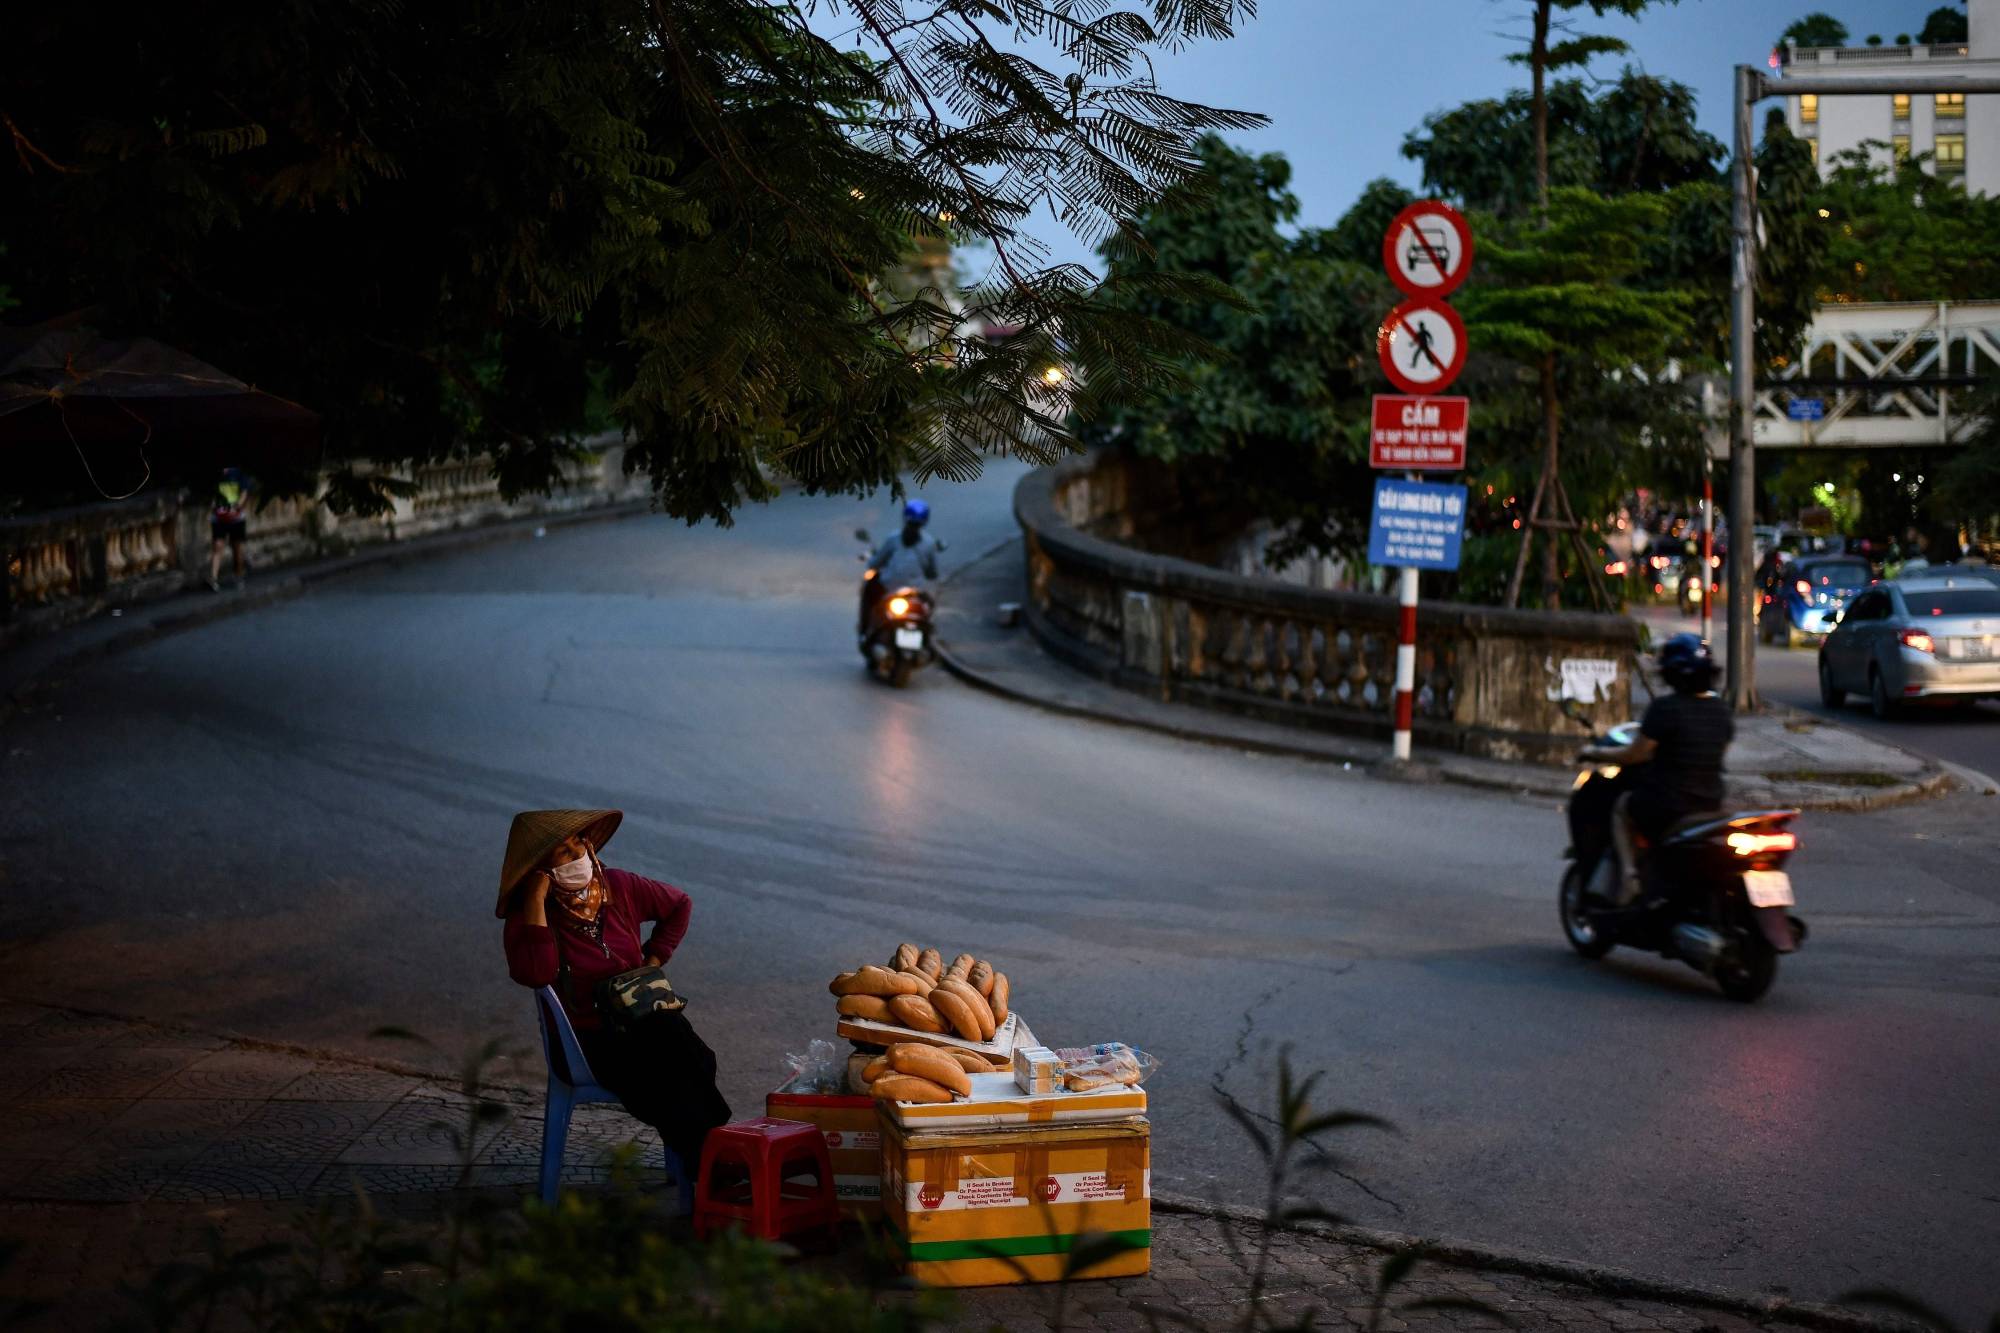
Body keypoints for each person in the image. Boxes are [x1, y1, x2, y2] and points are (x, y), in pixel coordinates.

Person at [498, 808, 730, 1177]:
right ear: (539, 871)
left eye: (579, 843)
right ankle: (717, 1160)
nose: (578, 856)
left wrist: (653, 960)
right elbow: (536, 973)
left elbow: (679, 905)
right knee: (670, 1068)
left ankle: (716, 1155)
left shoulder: (619, 886)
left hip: (643, 1019)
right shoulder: (527, 919)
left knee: (685, 1048)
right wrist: (534, 902)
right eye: (563, 853)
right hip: (587, 1040)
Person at [1585, 634, 1733, 903]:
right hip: (1711, 804)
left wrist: (1596, 752)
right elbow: (1716, 754)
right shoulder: (1721, 710)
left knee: (1622, 807)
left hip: (1669, 805)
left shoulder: (1666, 709)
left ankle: (1630, 878)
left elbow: (1634, 754)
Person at [858, 499, 942, 638]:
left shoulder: (894, 539)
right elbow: (933, 573)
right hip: (914, 593)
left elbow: (875, 563)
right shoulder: (929, 543)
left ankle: (864, 631)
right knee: (930, 607)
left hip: (890, 589)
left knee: (868, 593)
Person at [207, 466, 254, 592]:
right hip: (218, 516)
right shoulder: (215, 473)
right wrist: (213, 506)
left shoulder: (239, 472)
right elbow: (212, 493)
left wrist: (237, 507)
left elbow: (244, 492)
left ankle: (238, 575)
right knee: (218, 545)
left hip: (236, 517)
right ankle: (213, 578)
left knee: (237, 548)